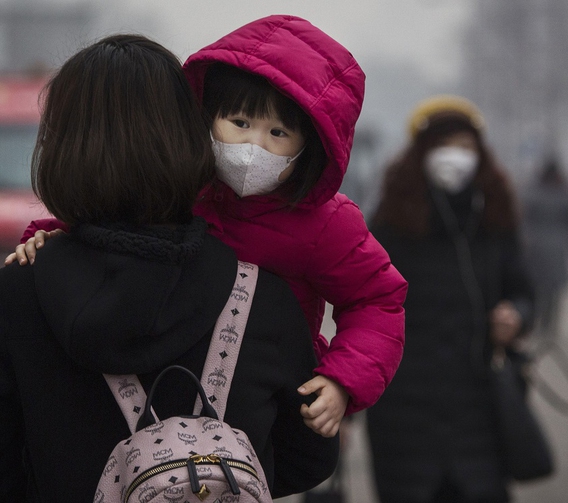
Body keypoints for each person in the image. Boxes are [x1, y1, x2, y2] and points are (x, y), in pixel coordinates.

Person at [8, 15, 408, 438]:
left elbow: (378, 299)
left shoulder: (328, 224)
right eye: (239, 123)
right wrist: (50, 233)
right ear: (205, 114)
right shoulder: (186, 183)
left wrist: (342, 378)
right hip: (175, 374)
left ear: (309, 146)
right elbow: (116, 214)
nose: (254, 147)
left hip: (265, 392)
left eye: (278, 133)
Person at [0, 34, 338, 502]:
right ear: (190, 136)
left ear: (60, 147)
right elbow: (310, 458)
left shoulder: (18, 292)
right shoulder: (262, 295)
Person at [365, 95, 536, 503]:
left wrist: (516, 316)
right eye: (443, 146)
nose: (454, 157)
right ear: (421, 153)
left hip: (479, 401)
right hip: (404, 409)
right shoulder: (390, 219)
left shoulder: (494, 215)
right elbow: (363, 304)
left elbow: (524, 292)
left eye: (464, 147)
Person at [522, 157, 568, 336]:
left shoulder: (534, 191)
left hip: (537, 247)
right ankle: (550, 325)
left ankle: (538, 322)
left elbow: (525, 217)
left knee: (538, 289)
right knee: (553, 291)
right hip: (558, 246)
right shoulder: (565, 193)